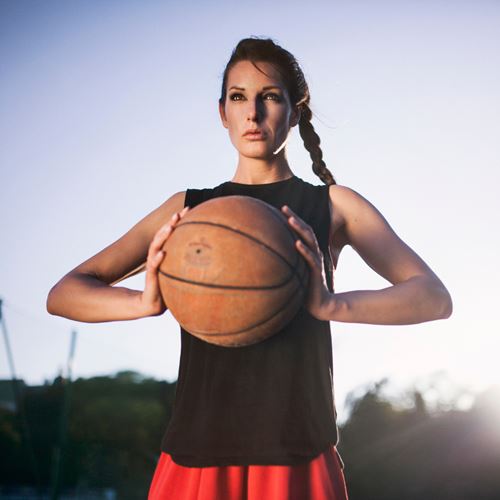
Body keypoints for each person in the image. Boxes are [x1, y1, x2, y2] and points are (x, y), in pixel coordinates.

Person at [47, 37, 453, 500]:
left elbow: (433, 297)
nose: (253, 113)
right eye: (238, 97)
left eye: (270, 97)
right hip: (195, 454)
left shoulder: (333, 205)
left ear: (296, 112)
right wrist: (143, 303)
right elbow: (63, 293)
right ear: (222, 112)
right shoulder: (189, 209)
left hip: (297, 450)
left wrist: (330, 303)